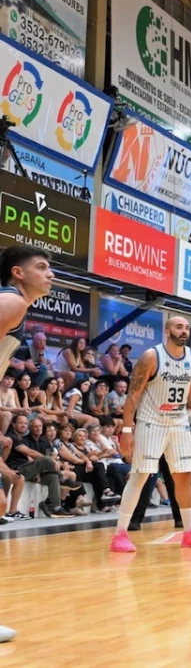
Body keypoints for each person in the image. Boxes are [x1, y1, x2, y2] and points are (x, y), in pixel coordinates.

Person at [109, 317, 191, 553]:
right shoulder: (151, 357)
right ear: (167, 331)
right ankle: (120, 534)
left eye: (187, 328)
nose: (184, 331)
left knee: (183, 476)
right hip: (151, 422)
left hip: (179, 422)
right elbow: (133, 396)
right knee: (140, 476)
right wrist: (127, 430)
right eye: (179, 327)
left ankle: (189, 531)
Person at [0, 245, 55, 643]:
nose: (49, 273)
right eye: (41, 267)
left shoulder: (14, 305)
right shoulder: (12, 303)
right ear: (17, 273)